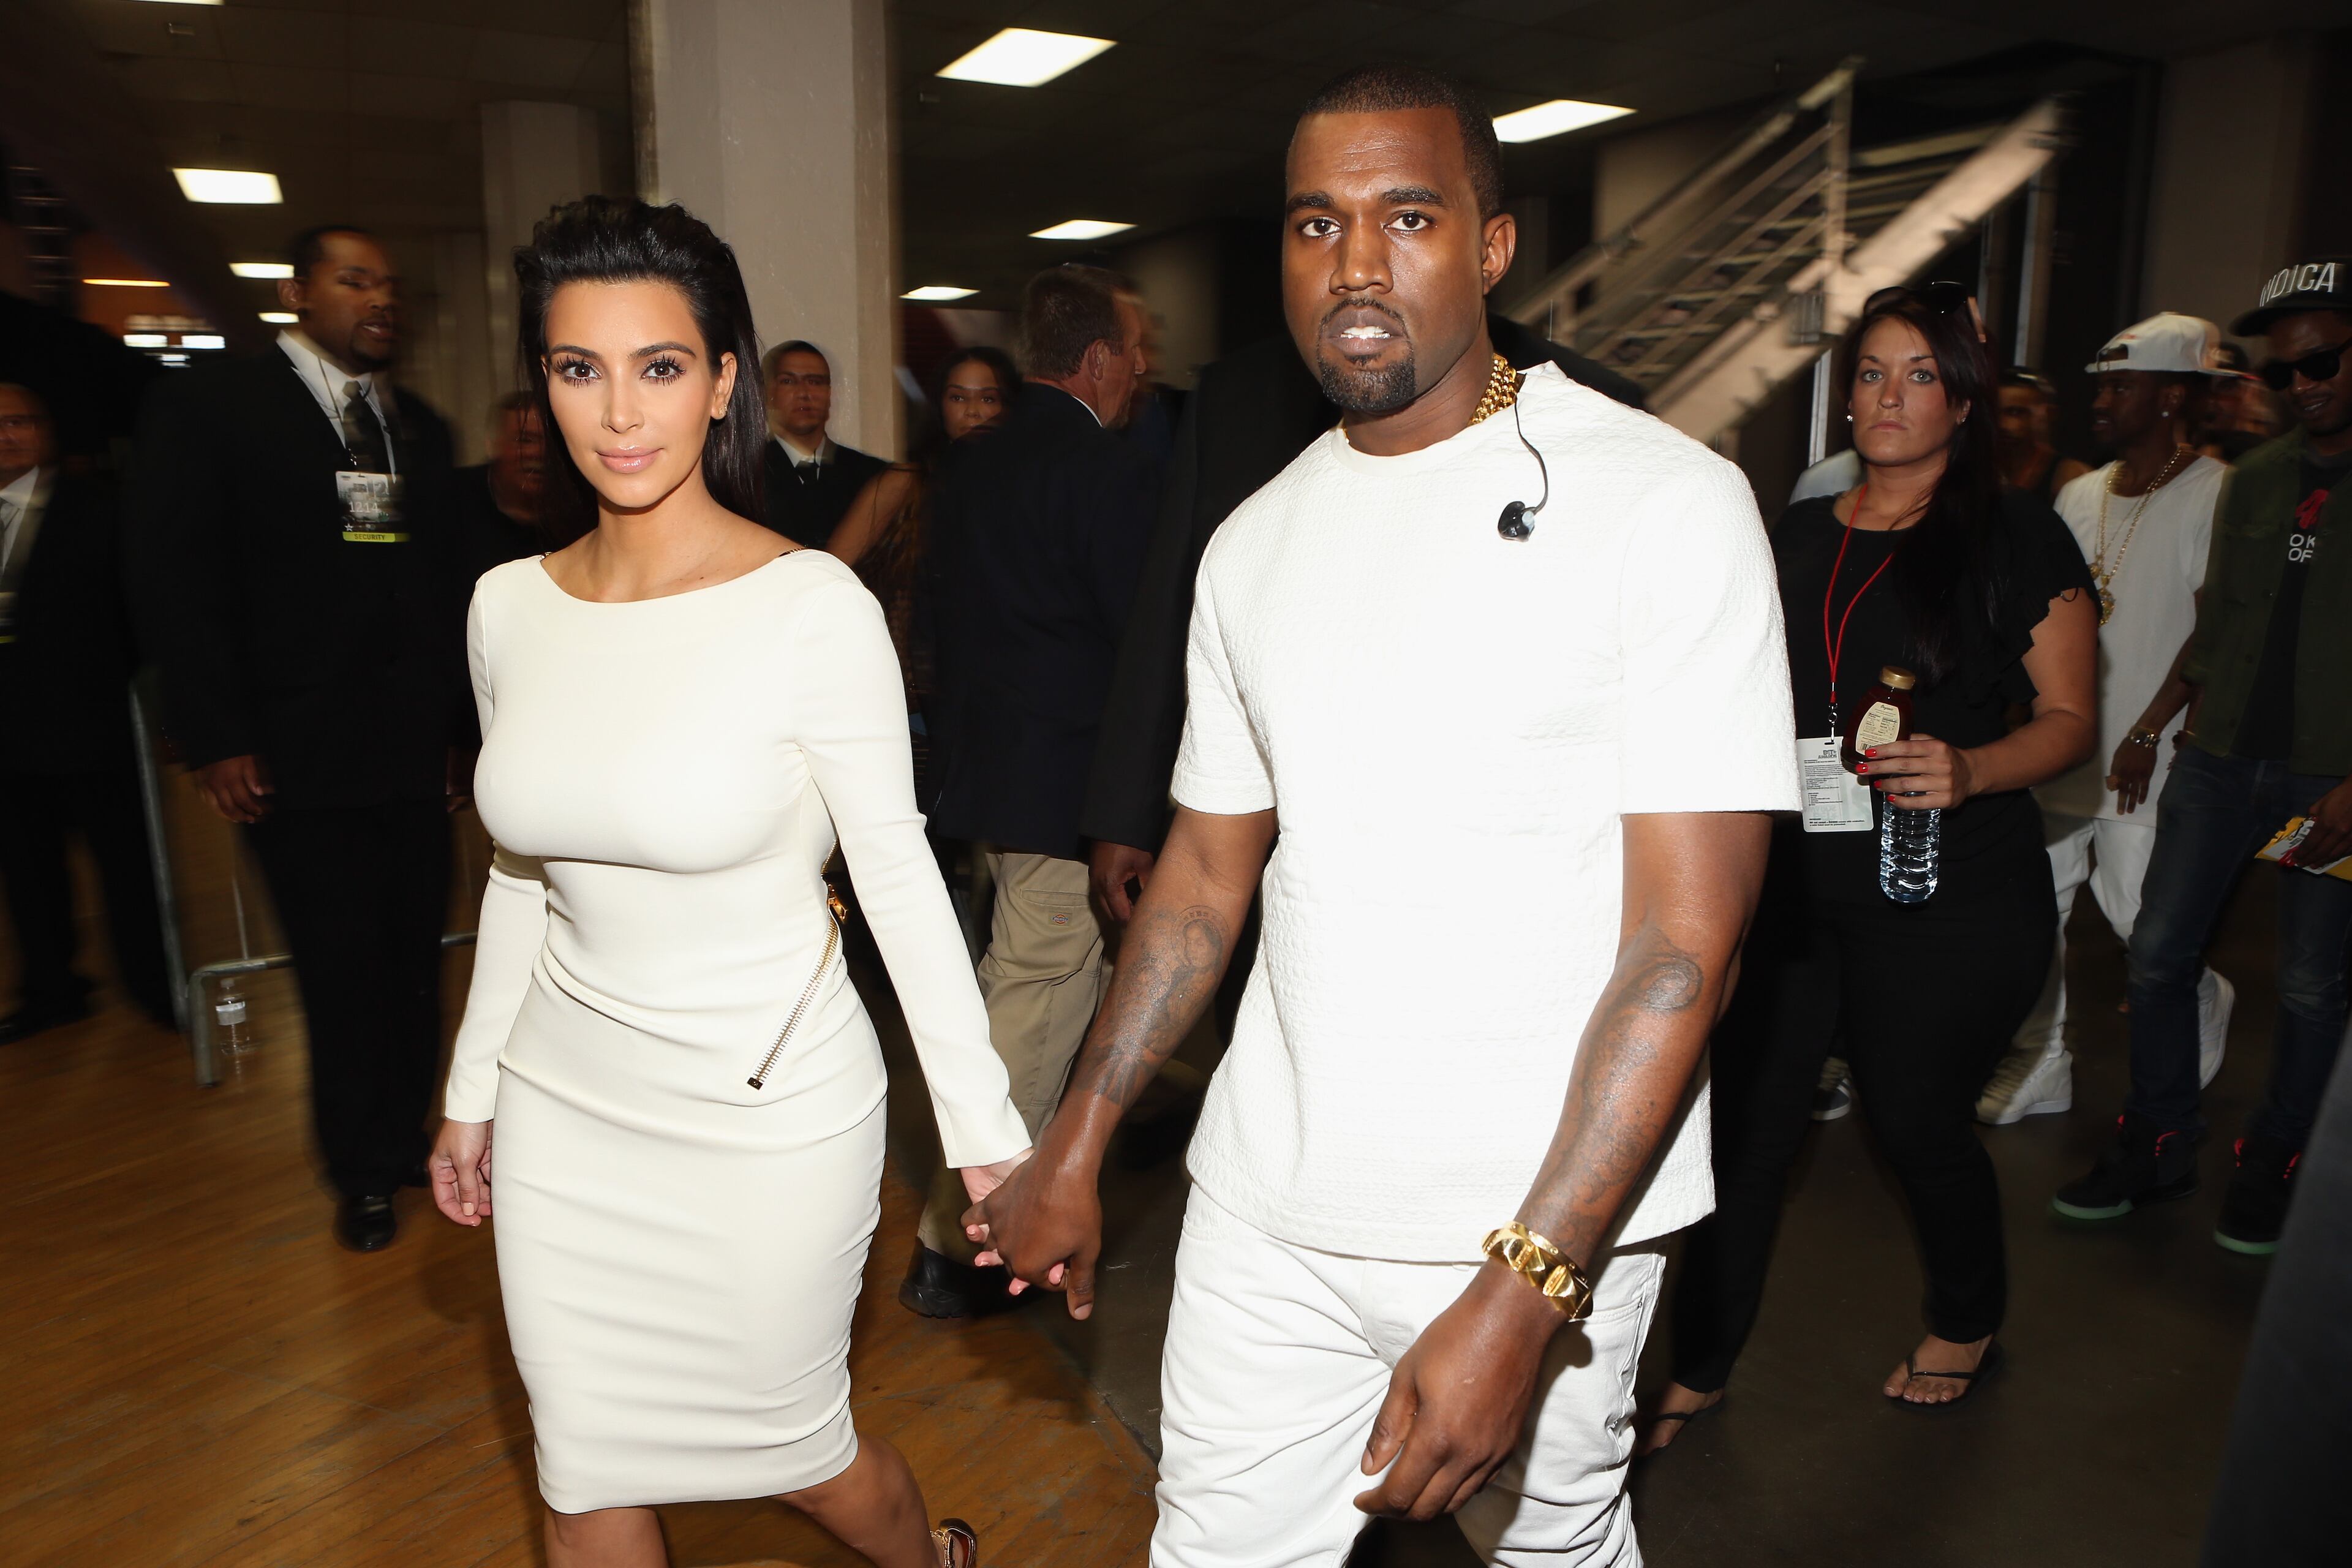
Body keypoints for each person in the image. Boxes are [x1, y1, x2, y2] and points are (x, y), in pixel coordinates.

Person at [968, 66, 1796, 1566]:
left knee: (1552, 1548)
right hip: (1265, 1204)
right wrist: (1075, 1135)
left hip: (1531, 1221)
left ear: (1492, 245)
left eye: (1407, 216)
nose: (1354, 264)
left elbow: (1688, 940)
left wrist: (1528, 1283)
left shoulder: (1662, 502)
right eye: (1315, 224)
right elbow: (1204, 872)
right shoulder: (1253, 541)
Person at [428, 196, 1025, 1568]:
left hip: (768, 1111)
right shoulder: (506, 606)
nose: (617, 412)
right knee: (582, 1472)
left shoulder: (809, 606)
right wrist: (472, 1087)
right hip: (566, 1106)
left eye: (659, 366)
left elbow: (898, 876)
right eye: (578, 368)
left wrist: (983, 1131)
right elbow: (524, 872)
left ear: (720, 383)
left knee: (799, 1455)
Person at [1645, 281, 2099, 1447]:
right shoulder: (1797, 533)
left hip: (1947, 893)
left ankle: (1968, 1317)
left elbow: (2069, 720)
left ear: (1965, 401)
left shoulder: (2016, 534)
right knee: (1748, 1132)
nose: (1890, 398)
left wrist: (1974, 767)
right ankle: (1698, 1360)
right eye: (1871, 374)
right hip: (1797, 892)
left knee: (1914, 1122)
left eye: (1921, 376)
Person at [126, 224, 470, 1253]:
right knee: (340, 968)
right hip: (293, 754)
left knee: (414, 961)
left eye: (389, 284)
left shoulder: (419, 428)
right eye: (354, 280)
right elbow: (176, 579)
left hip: (412, 755)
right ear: (298, 292)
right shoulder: (216, 408)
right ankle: (360, 1170)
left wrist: (460, 734)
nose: (380, 300)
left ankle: (405, 1138)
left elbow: (442, 593)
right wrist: (215, 736)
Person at [1079, 317, 1645, 930]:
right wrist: (1123, 814)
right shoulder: (1236, 395)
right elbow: (1171, 603)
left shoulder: (1595, 409)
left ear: (1492, 263)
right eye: (1320, 245)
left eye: (1406, 232)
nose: (1358, 272)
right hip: (1264, 847)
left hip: (1498, 880)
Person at [2053, 257, 2352, 1255]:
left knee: (2310, 983)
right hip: (2220, 760)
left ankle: (2279, 1156)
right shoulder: (2259, 479)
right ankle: (2160, 1137)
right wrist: (2160, 733)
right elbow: (2218, 624)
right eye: (2283, 373)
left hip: (2328, 773)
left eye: (2323, 363)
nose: (2303, 387)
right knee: (2157, 951)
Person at [902, 265, 1157, 1319]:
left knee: (1041, 993)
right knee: (1036, 1004)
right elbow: (1141, 646)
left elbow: (936, 623)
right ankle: (956, 1245)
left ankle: (1028, 1215)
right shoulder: (1105, 470)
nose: (1142, 371)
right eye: (1134, 352)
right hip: (1068, 796)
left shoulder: (969, 464)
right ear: (1097, 360)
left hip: (987, 781)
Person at [1978, 314, 2237, 1125]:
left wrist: (2150, 730)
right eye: (2101, 386)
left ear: (2170, 397)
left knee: (2135, 916)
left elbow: (2214, 629)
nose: (2101, 401)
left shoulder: (2216, 492)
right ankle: (2045, 1063)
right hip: (2067, 741)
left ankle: (2204, 998)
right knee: (2037, 915)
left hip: (2144, 749)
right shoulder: (2079, 492)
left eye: (2122, 387)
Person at [0, 382, 172, 1041]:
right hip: (10, 737)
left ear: (46, 432)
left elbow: (140, 617)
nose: (8, 436)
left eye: (20, 422)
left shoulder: (99, 510)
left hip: (94, 725)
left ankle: (155, 989)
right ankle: (52, 990)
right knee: (28, 873)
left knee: (127, 869)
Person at [826, 347, 1019, 799]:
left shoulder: (1022, 485)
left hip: (1002, 693)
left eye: (988, 398)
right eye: (959, 397)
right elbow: (827, 572)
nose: (973, 411)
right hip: (915, 694)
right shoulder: (906, 482)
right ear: (939, 406)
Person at [760, 340, 886, 551]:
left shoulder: (873, 477)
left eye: (815, 382)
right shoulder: (745, 475)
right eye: (788, 381)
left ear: (829, 394)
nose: (804, 393)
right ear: (768, 393)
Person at [451, 391, 564, 583]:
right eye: (525, 440)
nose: (539, 452)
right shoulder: (448, 503)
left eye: (550, 442)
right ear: (493, 446)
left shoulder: (581, 510)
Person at [1996, 368, 2094, 499]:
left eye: (2015, 412)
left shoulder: (2074, 478)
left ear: (2047, 415)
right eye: (1994, 412)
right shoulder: (1978, 471)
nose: (2002, 424)